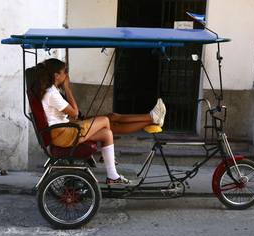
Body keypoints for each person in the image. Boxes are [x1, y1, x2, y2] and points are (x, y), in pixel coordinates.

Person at [32, 58, 166, 185]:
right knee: (106, 120)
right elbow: (75, 113)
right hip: (63, 134)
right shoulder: (52, 93)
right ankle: (151, 118)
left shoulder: (52, 90)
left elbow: (71, 115)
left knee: (106, 133)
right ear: (56, 75)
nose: (66, 75)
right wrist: (67, 87)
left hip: (64, 130)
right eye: (64, 72)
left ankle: (113, 176)